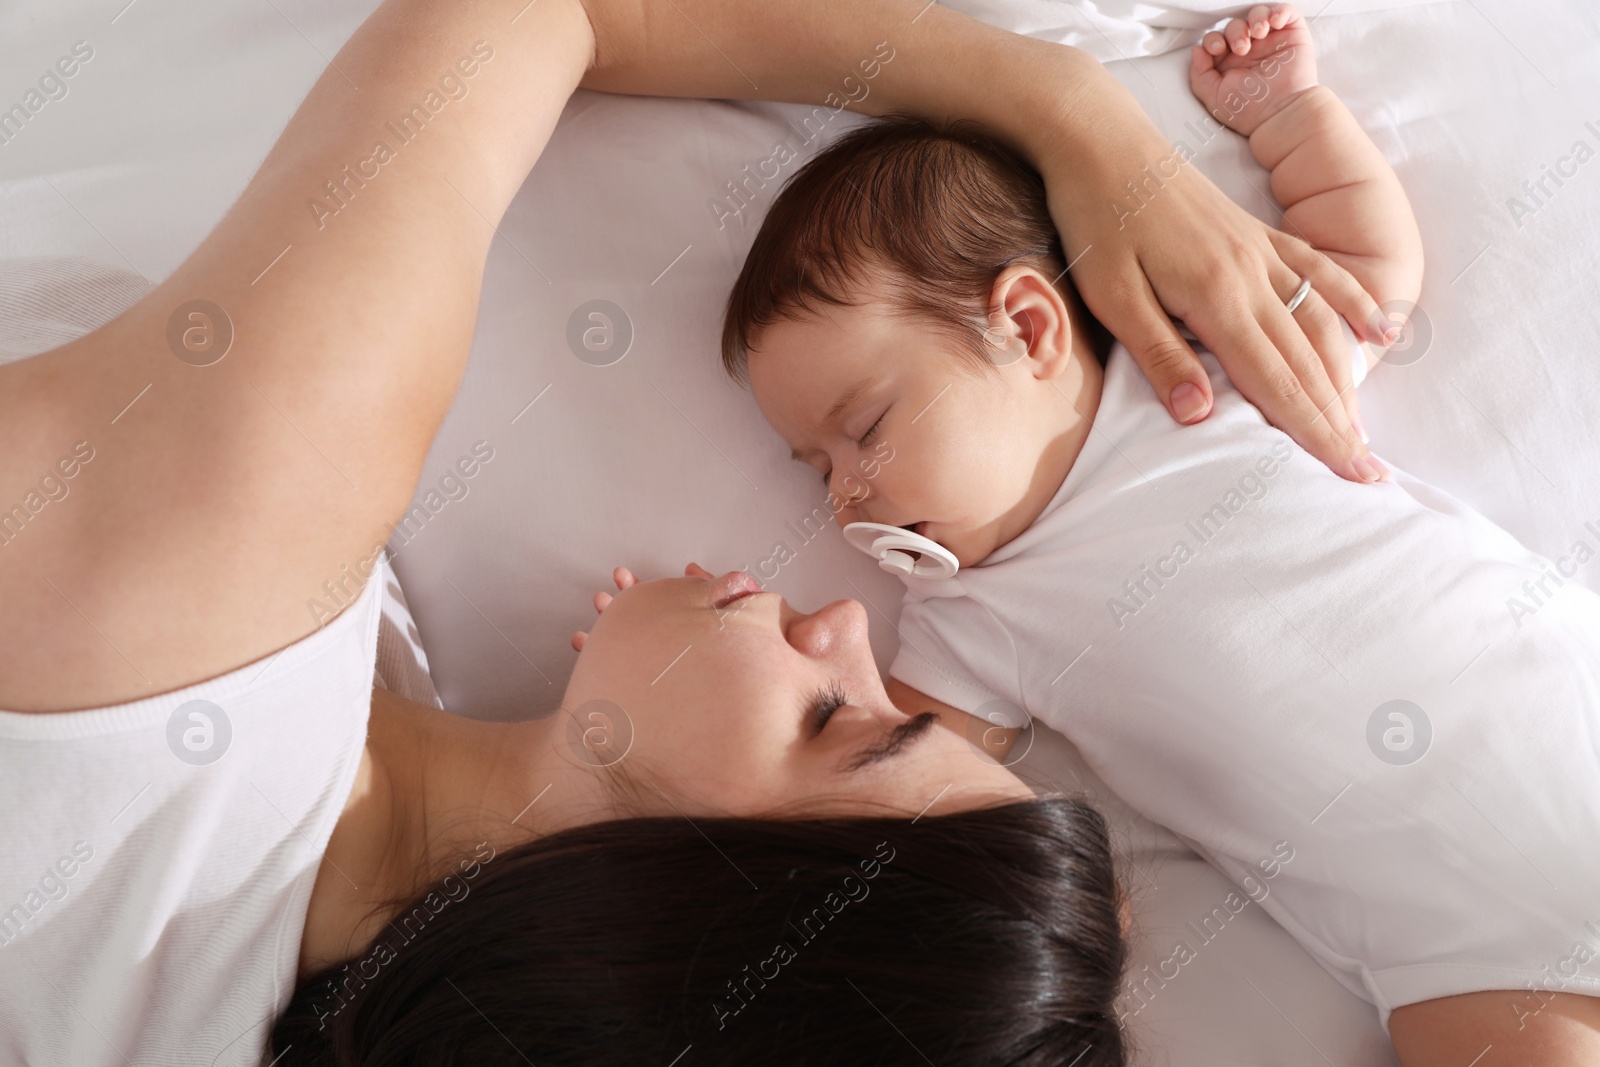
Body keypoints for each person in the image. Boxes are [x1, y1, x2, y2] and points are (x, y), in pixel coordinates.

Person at [0, 0, 1407, 1063]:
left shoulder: (239, 521)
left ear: (670, 928)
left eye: (832, 724)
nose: (854, 624)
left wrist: (1063, 110)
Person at [720, 5, 1600, 1064]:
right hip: (1458, 954)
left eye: (862, 430)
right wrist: (741, 656)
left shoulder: (1198, 375)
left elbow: (1364, 272)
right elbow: (881, 780)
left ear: (1030, 326)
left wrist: (1285, 118)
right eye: (814, 469)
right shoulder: (967, 619)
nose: (842, 497)